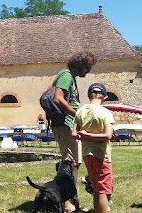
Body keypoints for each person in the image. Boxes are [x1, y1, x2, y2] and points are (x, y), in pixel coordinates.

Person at [52, 51, 97, 213]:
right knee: (70, 165)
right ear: (78, 63)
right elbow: (58, 98)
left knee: (74, 164)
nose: (88, 71)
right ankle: (67, 204)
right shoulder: (66, 76)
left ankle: (71, 200)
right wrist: (76, 114)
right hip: (64, 125)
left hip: (69, 125)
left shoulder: (71, 78)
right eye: (87, 67)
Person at [72, 82, 114, 213]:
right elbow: (108, 135)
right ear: (105, 97)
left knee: (96, 187)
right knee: (103, 190)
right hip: (101, 155)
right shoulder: (105, 112)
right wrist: (90, 135)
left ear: (88, 95)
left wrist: (83, 135)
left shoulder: (80, 111)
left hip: (86, 154)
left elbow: (74, 133)